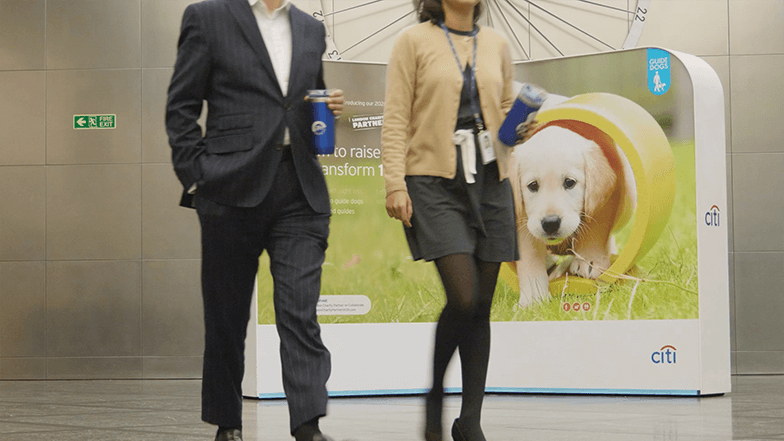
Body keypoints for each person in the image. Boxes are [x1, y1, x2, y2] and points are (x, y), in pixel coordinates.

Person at [166, 1, 343, 440]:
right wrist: (197, 177)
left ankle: (307, 424)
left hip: (298, 186)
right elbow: (181, 106)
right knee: (226, 318)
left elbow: (300, 101)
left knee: (299, 311)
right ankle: (228, 423)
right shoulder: (207, 18)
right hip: (229, 188)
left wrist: (325, 106)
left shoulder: (310, 28)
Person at [381, 1, 516, 440]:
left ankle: (470, 421)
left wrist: (521, 123)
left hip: (491, 181)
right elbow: (397, 117)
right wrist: (394, 184)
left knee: (481, 306)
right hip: (433, 181)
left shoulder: (496, 43)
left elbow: (507, 106)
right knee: (463, 296)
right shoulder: (413, 41)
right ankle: (435, 398)